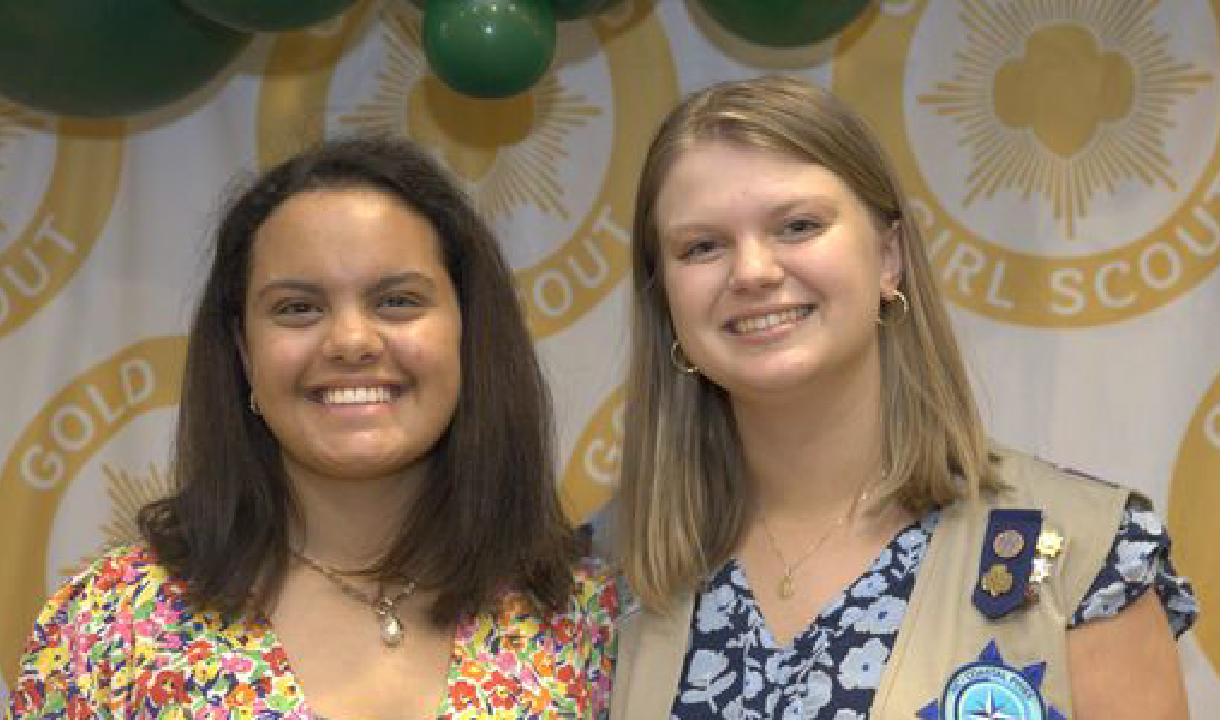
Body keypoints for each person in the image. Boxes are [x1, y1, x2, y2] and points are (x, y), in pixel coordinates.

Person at [610, 75, 1197, 720]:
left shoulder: (1084, 556)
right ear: (665, 296)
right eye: (702, 246)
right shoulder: (599, 579)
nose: (752, 271)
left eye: (798, 226)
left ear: (888, 256)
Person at [6, 137, 616, 718]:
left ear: (467, 332)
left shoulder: (584, 617)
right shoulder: (110, 627)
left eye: (398, 300)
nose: (351, 341)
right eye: (298, 308)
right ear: (244, 351)